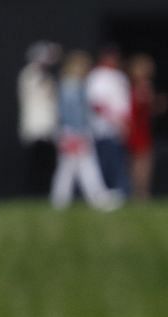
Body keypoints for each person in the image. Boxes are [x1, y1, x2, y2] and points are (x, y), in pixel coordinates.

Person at [51, 50, 120, 211]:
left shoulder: (72, 85)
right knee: (74, 168)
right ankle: (95, 198)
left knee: (77, 168)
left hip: (73, 132)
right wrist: (77, 133)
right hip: (74, 133)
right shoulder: (71, 86)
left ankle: (65, 199)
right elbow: (70, 114)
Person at [85, 46, 131, 197]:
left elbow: (124, 103)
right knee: (104, 160)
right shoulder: (97, 76)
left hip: (119, 127)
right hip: (103, 127)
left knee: (118, 161)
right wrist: (114, 119)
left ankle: (119, 191)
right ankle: (103, 192)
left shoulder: (119, 76)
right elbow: (96, 103)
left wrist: (124, 122)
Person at [19, 43, 60, 199]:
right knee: (35, 164)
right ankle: (33, 194)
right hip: (35, 128)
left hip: (48, 128)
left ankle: (44, 194)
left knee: (47, 164)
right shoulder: (29, 75)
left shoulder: (46, 76)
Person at [126, 54, 160, 200]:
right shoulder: (136, 87)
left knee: (143, 162)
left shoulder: (141, 86)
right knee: (141, 162)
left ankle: (141, 192)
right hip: (137, 129)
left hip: (143, 128)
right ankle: (139, 192)